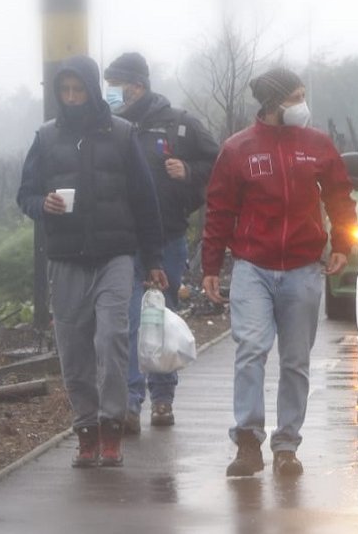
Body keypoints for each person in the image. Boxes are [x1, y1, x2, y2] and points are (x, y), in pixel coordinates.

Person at [201, 66, 357, 477]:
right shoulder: (238, 150)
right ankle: (248, 441)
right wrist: (211, 265)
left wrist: (343, 244)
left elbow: (341, 198)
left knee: (295, 360)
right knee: (251, 349)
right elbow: (219, 209)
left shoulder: (318, 145)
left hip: (304, 268)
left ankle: (287, 443)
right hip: (253, 267)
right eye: (295, 97)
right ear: (273, 102)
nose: (302, 105)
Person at [16, 55, 168, 468]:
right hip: (65, 258)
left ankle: (112, 426)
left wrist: (153, 259)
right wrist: (41, 205)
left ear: (91, 90)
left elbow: (145, 200)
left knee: (112, 339)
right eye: (64, 91)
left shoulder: (121, 134)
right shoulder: (46, 139)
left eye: (78, 89)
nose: (71, 97)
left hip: (115, 257)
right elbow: (25, 193)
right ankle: (85, 429)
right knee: (74, 351)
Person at [104, 52, 219, 433]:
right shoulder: (108, 126)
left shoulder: (179, 125)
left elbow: (216, 166)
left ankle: (164, 398)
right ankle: (132, 402)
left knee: (161, 317)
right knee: (131, 321)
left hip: (167, 237)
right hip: (122, 240)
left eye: (117, 86)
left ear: (137, 86)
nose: (112, 94)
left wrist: (187, 173)